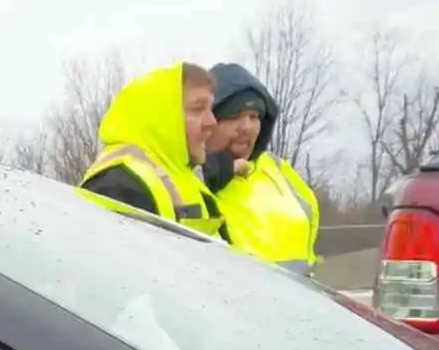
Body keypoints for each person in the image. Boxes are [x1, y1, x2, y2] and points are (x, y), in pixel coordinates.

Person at [79, 63, 226, 238]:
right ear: (161, 118)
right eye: (197, 109)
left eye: (210, 109)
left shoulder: (196, 187)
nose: (212, 122)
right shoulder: (118, 183)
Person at [202, 62, 320, 273]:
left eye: (254, 116)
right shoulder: (186, 171)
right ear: (208, 121)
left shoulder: (281, 173)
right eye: (232, 116)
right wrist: (214, 169)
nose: (246, 127)